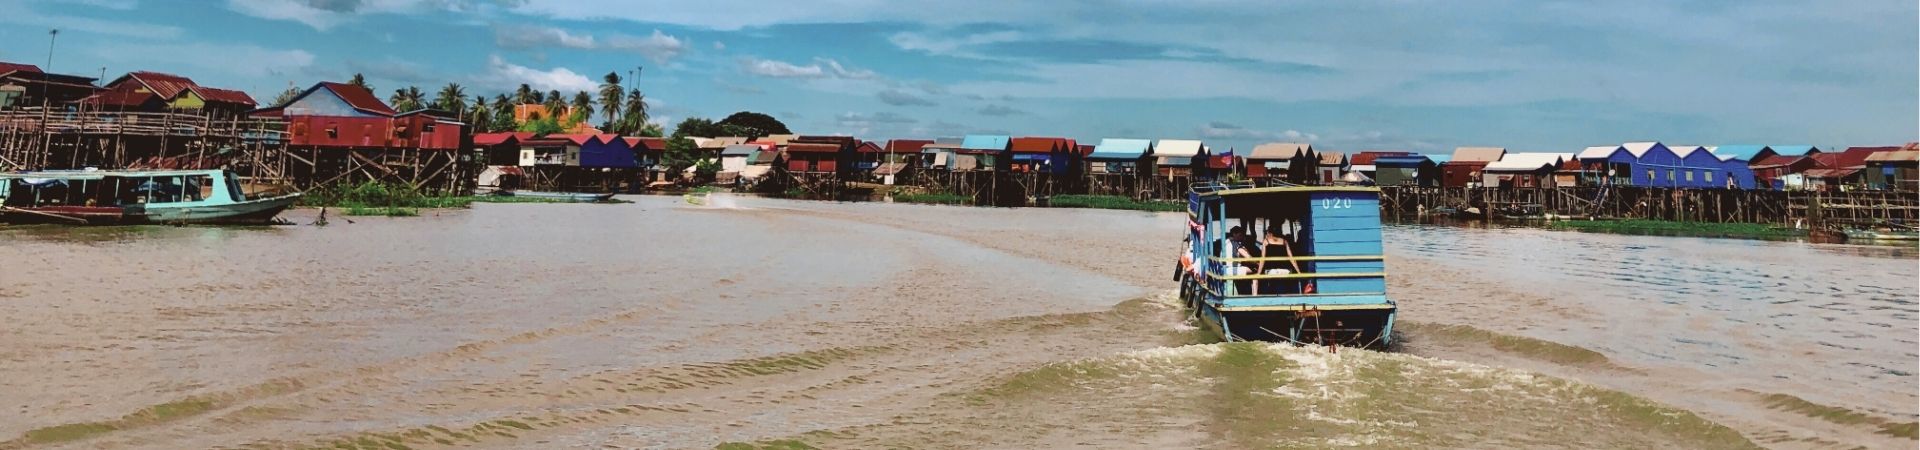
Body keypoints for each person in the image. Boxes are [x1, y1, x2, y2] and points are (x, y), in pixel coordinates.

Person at [1255, 226, 1304, 295]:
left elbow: (1262, 259)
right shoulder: (1284, 241)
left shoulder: (1266, 241)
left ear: (1270, 233)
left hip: (1272, 271)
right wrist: (1299, 272)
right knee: (1283, 287)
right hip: (1286, 271)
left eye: (1267, 232)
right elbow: (1292, 258)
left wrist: (1258, 273)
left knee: (1268, 285)